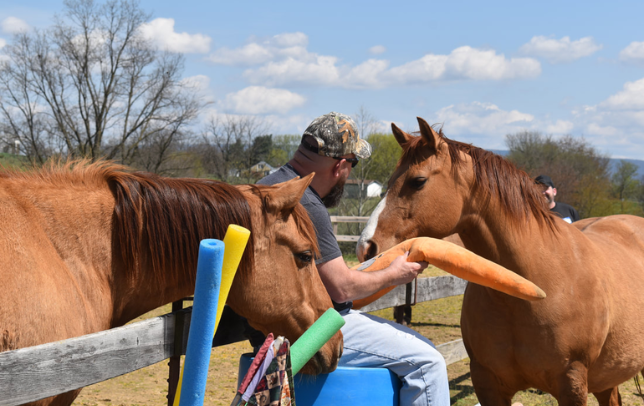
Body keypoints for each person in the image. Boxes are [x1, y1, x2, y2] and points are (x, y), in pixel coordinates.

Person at [258, 112, 450, 406]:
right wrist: (395, 273)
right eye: (353, 164)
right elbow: (341, 288)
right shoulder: (306, 201)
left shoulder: (264, 185)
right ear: (340, 165)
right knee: (428, 361)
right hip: (315, 327)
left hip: (274, 328)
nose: (349, 172)